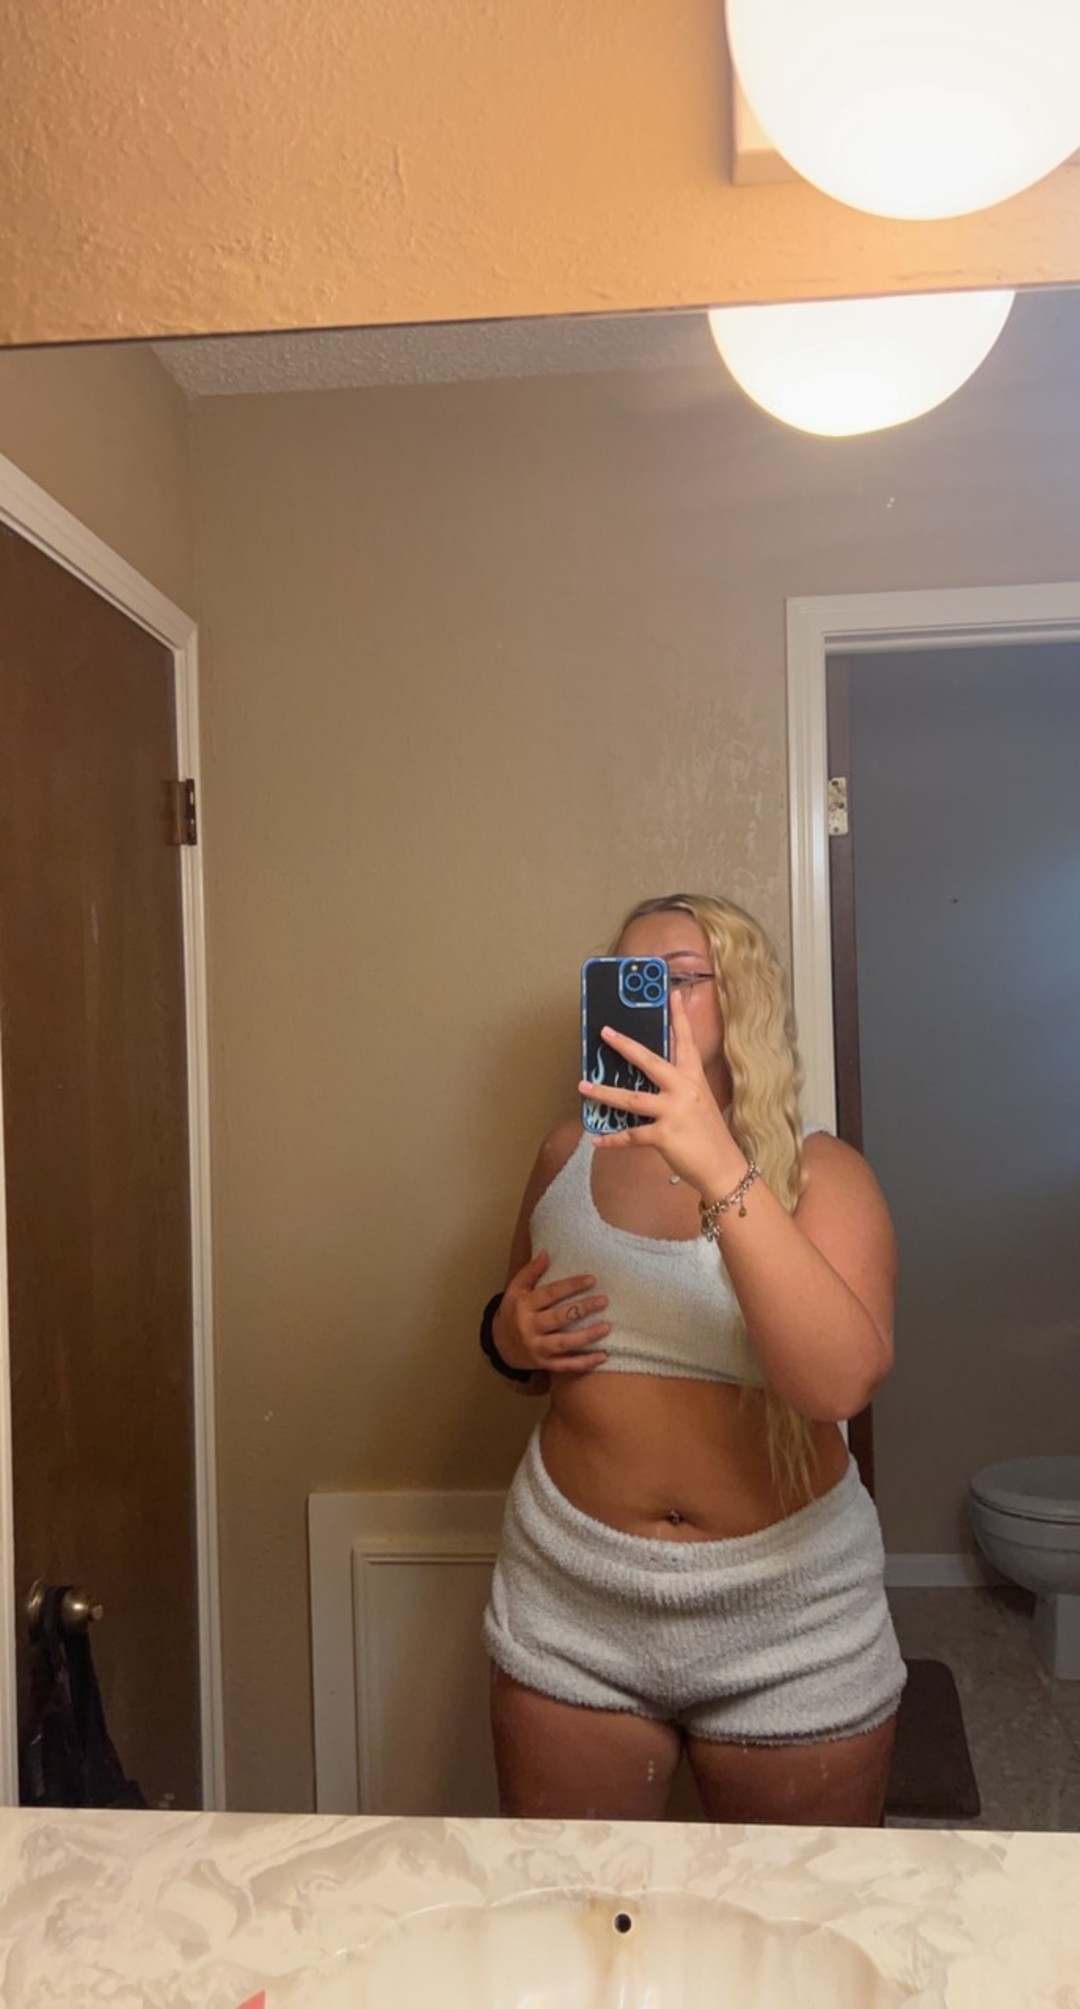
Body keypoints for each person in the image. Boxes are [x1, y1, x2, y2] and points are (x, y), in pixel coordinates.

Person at [480, 892, 905, 1825]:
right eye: (632, 979)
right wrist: (506, 1336)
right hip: (573, 1598)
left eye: (682, 978)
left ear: (742, 995)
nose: (657, 999)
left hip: (789, 1616)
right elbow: (522, 1347)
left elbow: (838, 1382)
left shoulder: (823, 1173)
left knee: (794, 1912)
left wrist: (717, 1160)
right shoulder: (564, 1155)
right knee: (579, 1904)